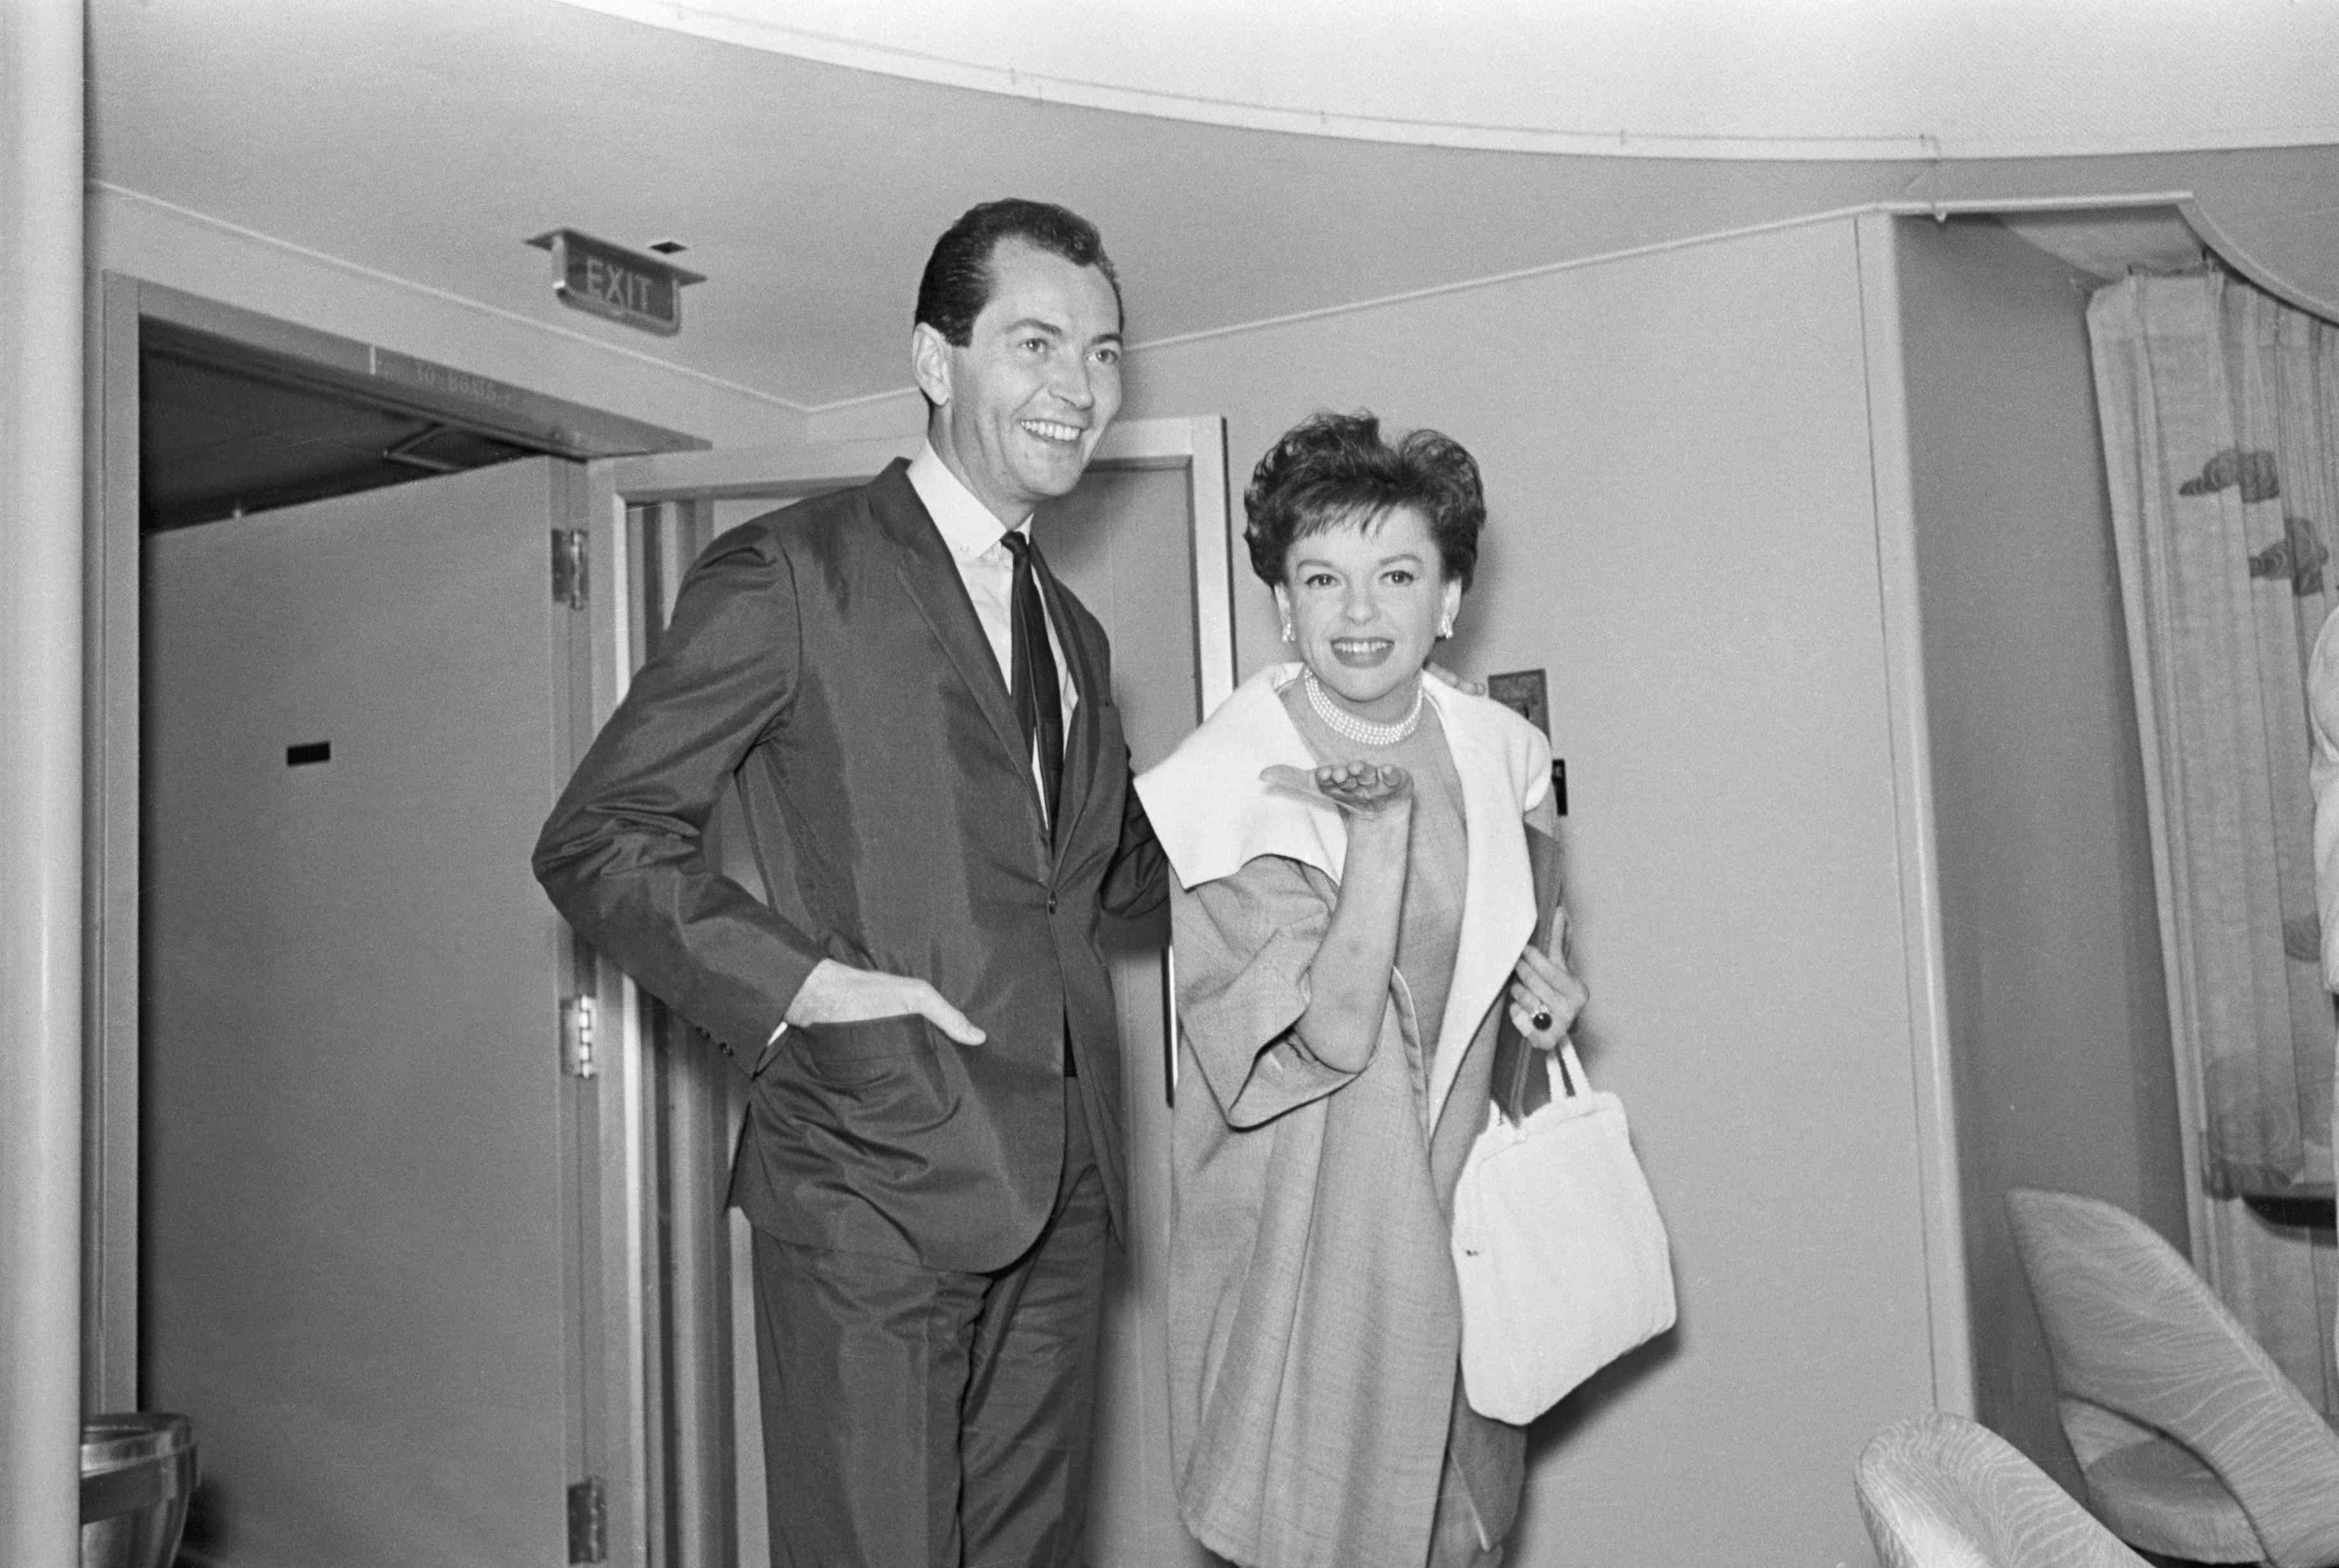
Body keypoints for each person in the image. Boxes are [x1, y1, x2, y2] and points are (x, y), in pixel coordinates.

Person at [533, 198, 1166, 1568]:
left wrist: (1289, 782)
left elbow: (1107, 886)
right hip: (871, 1184)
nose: (1080, 388)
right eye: (1037, 343)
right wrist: (800, 984)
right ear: (935, 361)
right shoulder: (792, 571)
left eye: (1103, 353)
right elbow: (599, 838)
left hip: (1058, 1192)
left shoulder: (1074, 627)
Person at [1133, 411, 1588, 1568]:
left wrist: (1546, 1022)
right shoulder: (1222, 783)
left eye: (1397, 576)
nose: (1360, 612)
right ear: (1282, 603)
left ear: (1448, 601)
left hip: (1455, 1237)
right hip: (1303, 1249)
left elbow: (1503, 1014)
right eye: (1322, 578)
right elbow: (1327, 1035)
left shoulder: (1502, 758)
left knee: (1457, 1539)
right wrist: (1377, 837)